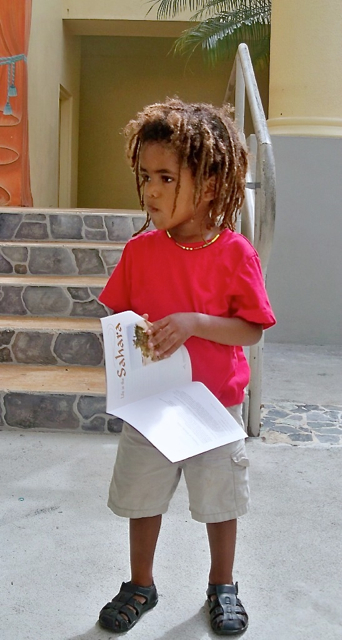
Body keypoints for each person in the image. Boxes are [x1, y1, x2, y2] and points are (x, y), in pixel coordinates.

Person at [98, 98, 276, 636]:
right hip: (151, 406)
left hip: (214, 405)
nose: (150, 190)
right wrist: (130, 343)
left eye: (166, 177)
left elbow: (251, 327)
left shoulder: (235, 254)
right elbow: (117, 313)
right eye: (145, 176)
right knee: (142, 495)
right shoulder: (140, 251)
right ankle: (140, 584)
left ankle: (223, 584)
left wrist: (196, 322)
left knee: (220, 498)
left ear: (210, 181)